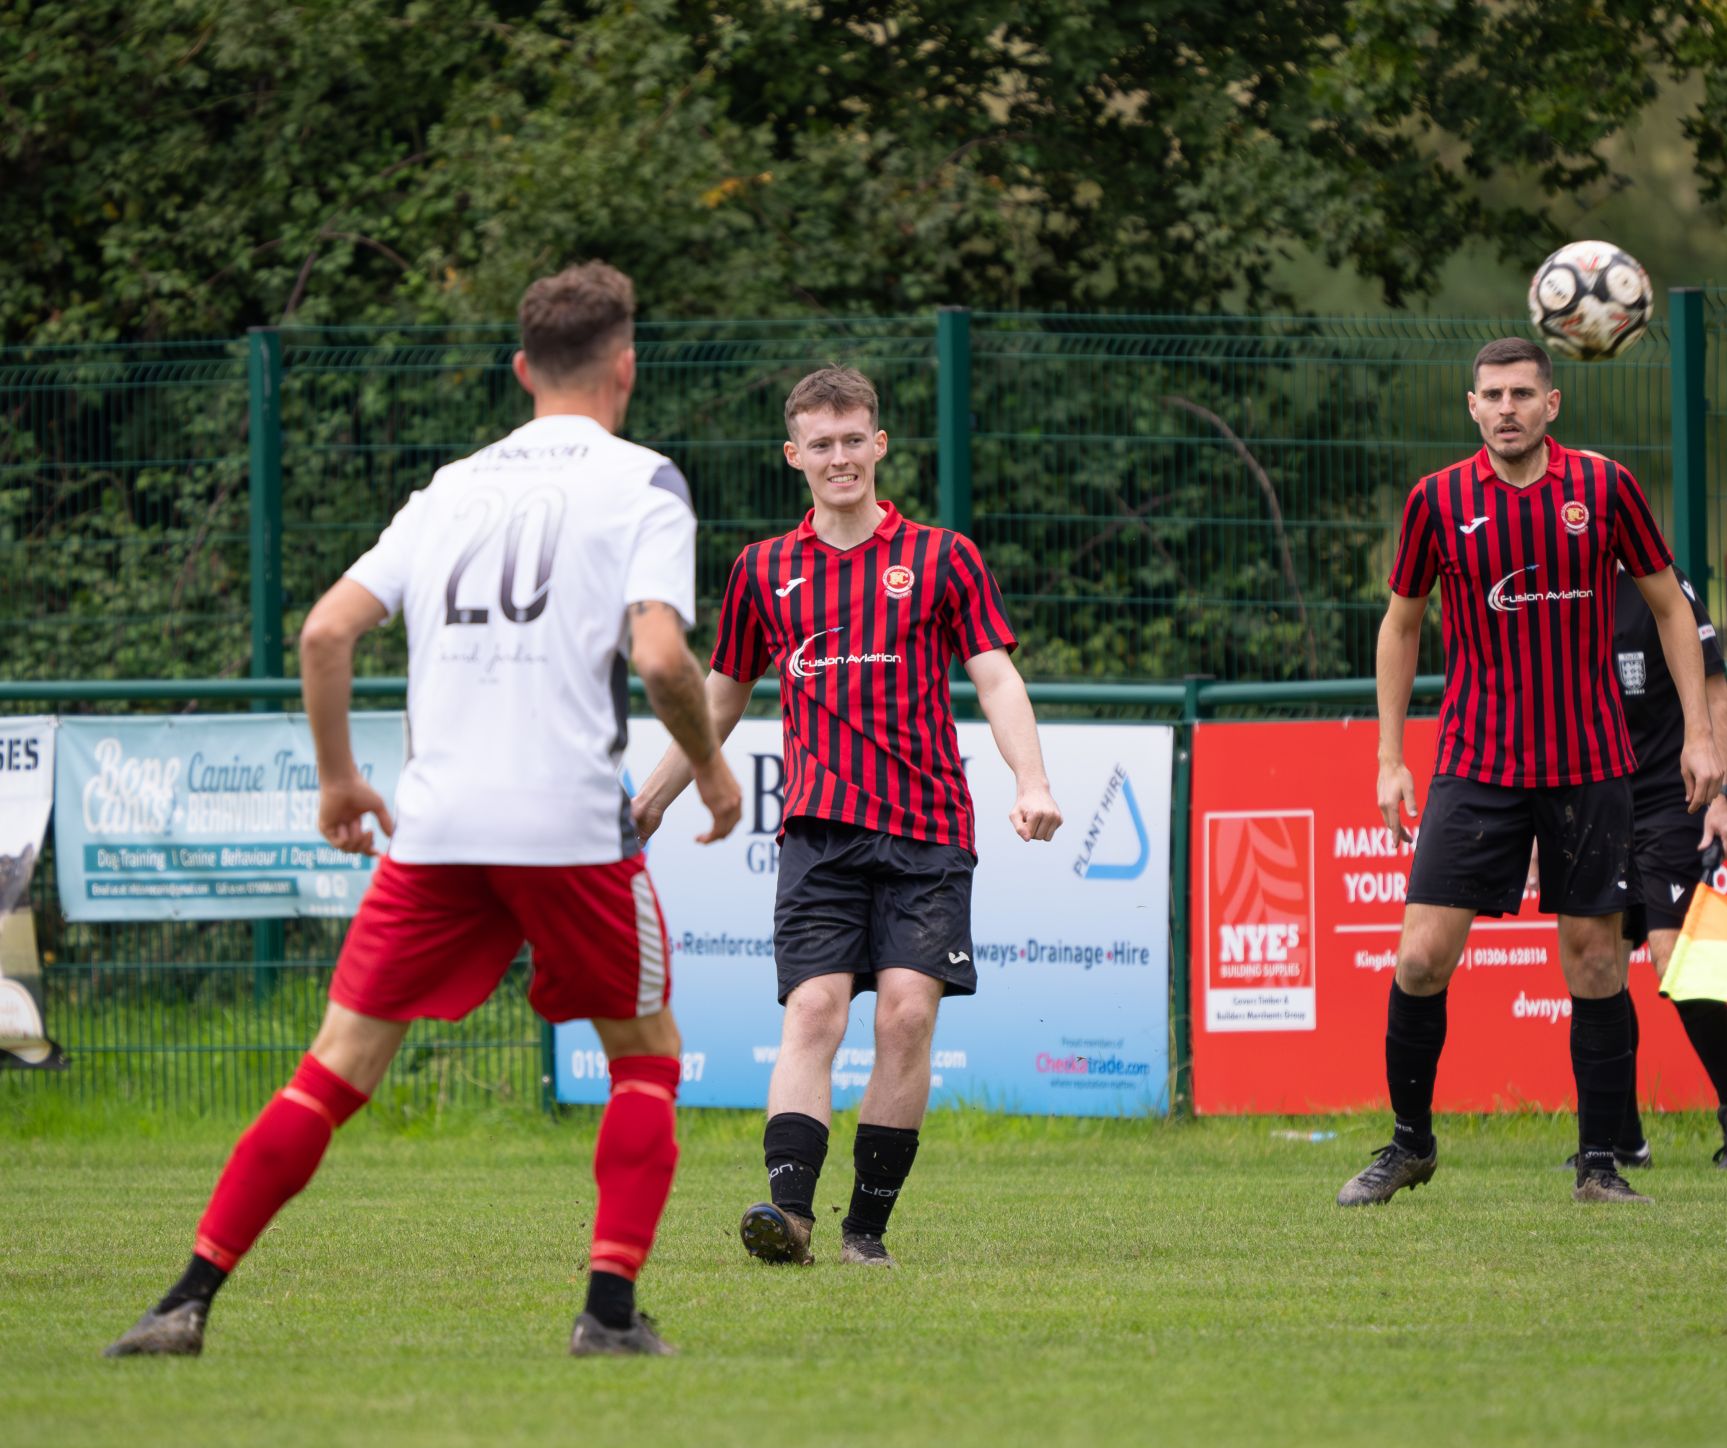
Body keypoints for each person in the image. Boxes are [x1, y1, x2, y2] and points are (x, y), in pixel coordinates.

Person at [105, 262, 742, 1359]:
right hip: (568, 827)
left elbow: (323, 633)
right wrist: (712, 771)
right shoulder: (644, 483)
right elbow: (659, 655)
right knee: (644, 1056)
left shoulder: (446, 489)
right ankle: (607, 1313)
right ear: (625, 367)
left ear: (518, 370)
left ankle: (186, 1298)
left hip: (436, 828)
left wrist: (341, 780)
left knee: (334, 1067)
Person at [632, 365, 1062, 1269]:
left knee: (905, 1016)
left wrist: (1032, 781)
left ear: (880, 444)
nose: (840, 458)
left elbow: (994, 675)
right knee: (815, 1012)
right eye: (820, 444)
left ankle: (866, 1228)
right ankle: (787, 1216)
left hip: (927, 831)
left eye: (853, 439)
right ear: (794, 455)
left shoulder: (945, 557)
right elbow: (716, 700)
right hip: (818, 836)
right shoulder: (764, 569)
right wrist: (652, 801)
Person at [1338, 336, 1726, 1209]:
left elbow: (1671, 607)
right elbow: (1400, 627)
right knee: (1420, 957)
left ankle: (1598, 1166)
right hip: (1476, 764)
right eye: (1491, 395)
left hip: (1590, 763)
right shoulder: (1436, 501)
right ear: (1470, 407)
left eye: (1522, 393)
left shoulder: (1604, 487)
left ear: (1553, 404)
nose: (1506, 408)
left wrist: (1701, 735)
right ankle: (1409, 1145)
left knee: (1594, 964)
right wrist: (1391, 756)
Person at [1538, 563, 1727, 1170]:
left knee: (1675, 956)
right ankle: (1621, 1137)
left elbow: (1716, 694)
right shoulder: (1558, 586)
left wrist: (1725, 796)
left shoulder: (1663, 586)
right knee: (1599, 963)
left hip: (1674, 797)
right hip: (1595, 795)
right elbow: (1551, 716)